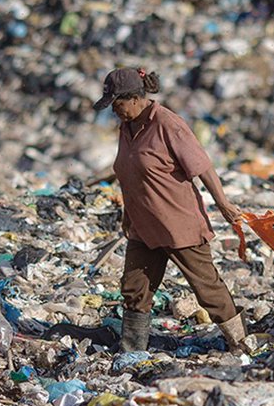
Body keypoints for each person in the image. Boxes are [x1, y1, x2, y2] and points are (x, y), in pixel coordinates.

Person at [94, 67, 251, 354]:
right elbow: (130, 174)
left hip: (178, 224)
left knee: (207, 288)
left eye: (118, 104)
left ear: (135, 98)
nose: (115, 111)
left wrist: (223, 204)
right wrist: (128, 216)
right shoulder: (127, 128)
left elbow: (202, 166)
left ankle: (241, 343)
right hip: (143, 227)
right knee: (134, 288)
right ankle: (132, 350)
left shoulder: (167, 124)